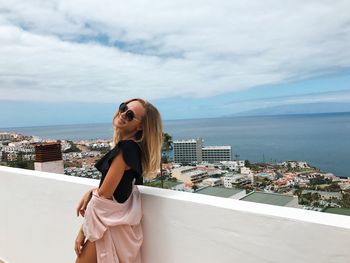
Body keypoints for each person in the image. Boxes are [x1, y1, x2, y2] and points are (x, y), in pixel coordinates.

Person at [74, 98, 163, 263]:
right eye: (123, 108)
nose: (123, 114)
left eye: (130, 115)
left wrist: (82, 232)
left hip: (107, 230)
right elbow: (112, 190)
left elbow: (102, 199)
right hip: (114, 228)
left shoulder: (125, 150)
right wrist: (92, 192)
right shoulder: (131, 148)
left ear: (140, 126)